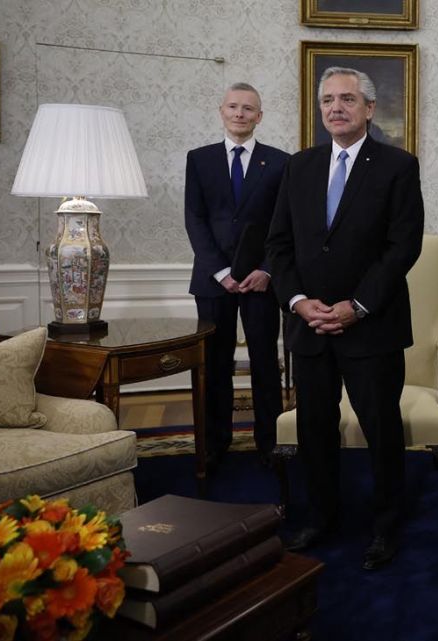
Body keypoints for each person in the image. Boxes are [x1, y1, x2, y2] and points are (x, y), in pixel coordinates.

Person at [266, 67, 424, 571]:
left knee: (381, 429)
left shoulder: (398, 166)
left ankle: (385, 524)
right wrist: (297, 302)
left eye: (348, 99)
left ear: (369, 108)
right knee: (315, 428)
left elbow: (403, 247)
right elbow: (278, 245)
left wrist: (356, 306)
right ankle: (321, 516)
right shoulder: (299, 166)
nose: (336, 107)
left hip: (371, 327)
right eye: (328, 100)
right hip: (309, 327)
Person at [184, 82, 288, 472]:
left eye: (249, 108)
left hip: (262, 281)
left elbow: (285, 224)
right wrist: (222, 272)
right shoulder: (199, 159)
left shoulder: (280, 162)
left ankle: (270, 442)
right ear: (221, 111)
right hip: (213, 281)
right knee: (214, 363)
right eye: (234, 107)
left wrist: (266, 271)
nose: (240, 113)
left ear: (259, 116)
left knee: (264, 362)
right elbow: (194, 219)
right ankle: (215, 442)